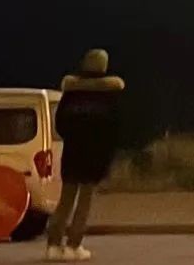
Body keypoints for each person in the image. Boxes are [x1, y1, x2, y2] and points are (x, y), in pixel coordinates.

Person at [45, 49, 125, 262]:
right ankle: (73, 245)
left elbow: (60, 124)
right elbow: (114, 127)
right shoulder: (108, 94)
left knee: (65, 199)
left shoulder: (71, 92)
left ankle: (53, 245)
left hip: (72, 152)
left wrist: (73, 137)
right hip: (95, 153)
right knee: (85, 200)